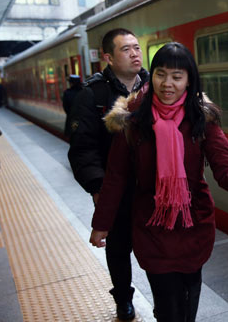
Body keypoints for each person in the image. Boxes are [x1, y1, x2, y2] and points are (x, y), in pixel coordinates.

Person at [89, 42, 228, 322]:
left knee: (188, 298)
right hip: (152, 225)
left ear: (189, 81)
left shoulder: (201, 118)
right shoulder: (133, 121)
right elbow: (116, 176)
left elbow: (226, 170)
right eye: (160, 74)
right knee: (169, 304)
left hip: (193, 224)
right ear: (152, 75)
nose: (167, 84)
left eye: (176, 76)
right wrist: (102, 224)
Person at [68, 28, 149, 320]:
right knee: (118, 247)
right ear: (108, 57)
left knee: (155, 243)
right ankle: (123, 298)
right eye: (126, 49)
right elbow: (83, 149)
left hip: (151, 188)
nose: (134, 54)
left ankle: (162, 294)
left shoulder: (154, 86)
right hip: (115, 188)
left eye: (137, 48)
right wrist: (99, 188)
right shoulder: (93, 94)